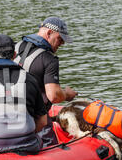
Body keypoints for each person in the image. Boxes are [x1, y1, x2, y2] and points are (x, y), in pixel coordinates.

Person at [14, 17, 78, 145]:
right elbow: (53, 96)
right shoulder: (49, 59)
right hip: (34, 117)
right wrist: (66, 94)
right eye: (60, 39)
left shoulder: (16, 46)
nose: (62, 43)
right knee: (51, 147)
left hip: (7, 111)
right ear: (49, 33)